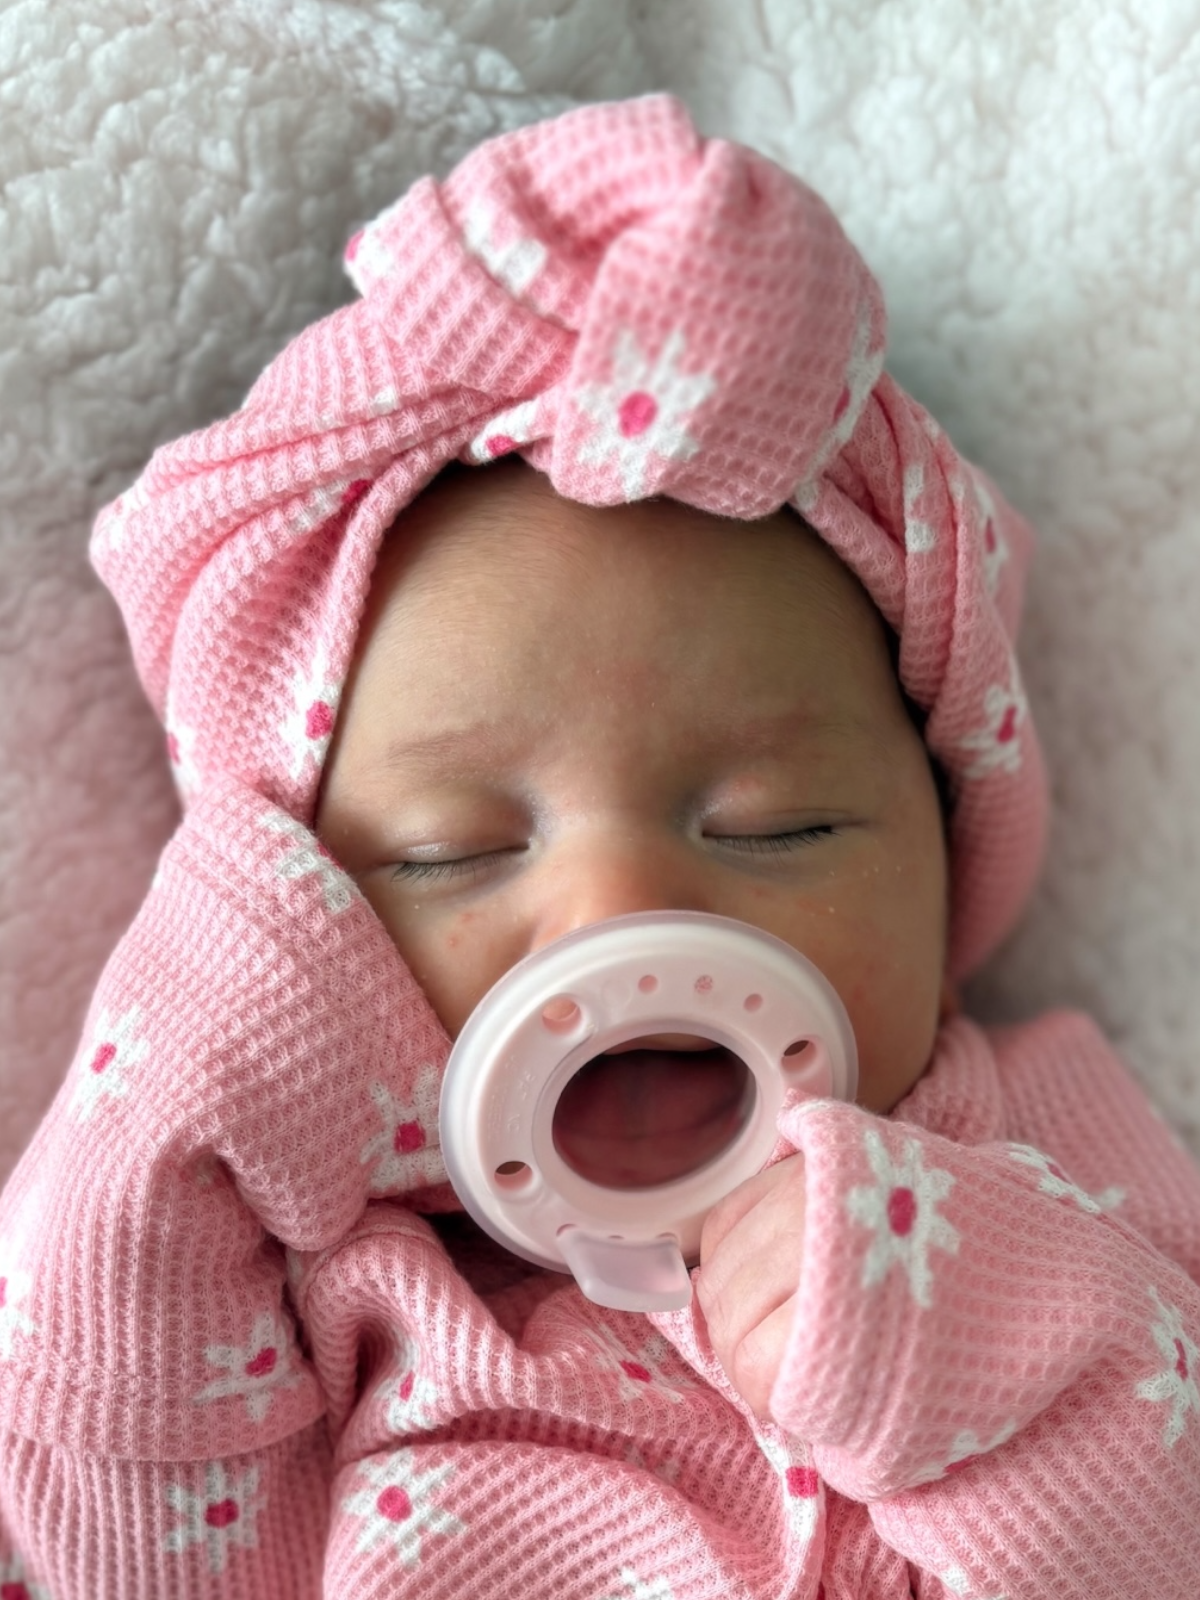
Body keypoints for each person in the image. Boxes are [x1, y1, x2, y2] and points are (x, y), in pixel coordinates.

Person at [1, 93, 1198, 1600]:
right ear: (294, 929)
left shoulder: (1026, 1141)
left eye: (777, 825)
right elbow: (118, 1558)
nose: (623, 908)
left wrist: (968, 1341)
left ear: (949, 852)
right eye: (447, 851)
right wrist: (169, 1137)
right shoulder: (316, 1287)